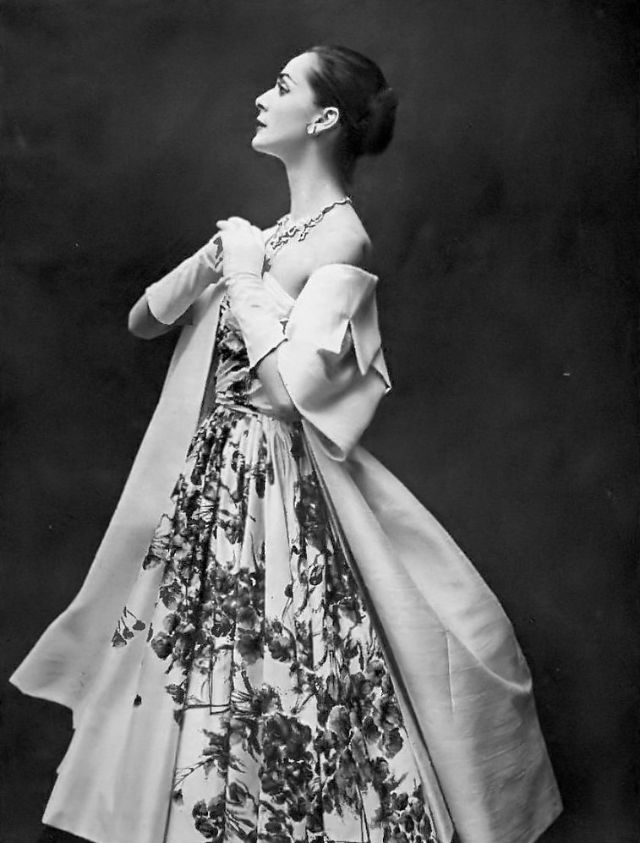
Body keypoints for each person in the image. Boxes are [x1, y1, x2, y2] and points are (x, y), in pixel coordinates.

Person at [11, 45, 563, 843]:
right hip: (213, 485)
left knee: (281, 668)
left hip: (274, 485)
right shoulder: (267, 235)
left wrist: (244, 276)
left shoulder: (344, 241)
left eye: (281, 86)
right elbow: (143, 320)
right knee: (197, 671)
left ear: (324, 117)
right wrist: (214, 262)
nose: (261, 99)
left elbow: (290, 392)